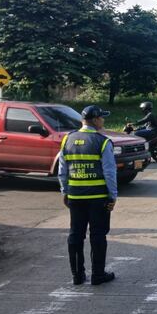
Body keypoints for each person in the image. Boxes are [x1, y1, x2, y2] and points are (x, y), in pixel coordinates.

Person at [59, 105, 117, 286]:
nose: (104, 121)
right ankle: (98, 275)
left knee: (76, 234)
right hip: (98, 198)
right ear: (95, 120)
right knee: (98, 235)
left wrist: (65, 192)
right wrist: (112, 196)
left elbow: (63, 171)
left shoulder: (67, 140)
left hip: (75, 197)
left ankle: (77, 275)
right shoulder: (103, 142)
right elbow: (109, 172)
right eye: (102, 118)